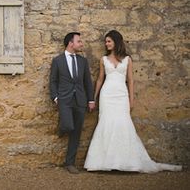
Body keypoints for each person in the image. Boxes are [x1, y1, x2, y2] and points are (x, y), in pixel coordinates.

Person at [84, 30, 182, 173]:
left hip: (121, 95)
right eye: (106, 42)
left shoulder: (127, 59)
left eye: (109, 41)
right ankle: (105, 162)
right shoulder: (103, 60)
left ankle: (125, 161)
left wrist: (131, 100)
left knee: (123, 123)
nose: (106, 44)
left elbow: (130, 81)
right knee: (107, 123)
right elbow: (100, 79)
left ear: (116, 41)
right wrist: (93, 97)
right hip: (107, 95)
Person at [50, 32, 95, 174]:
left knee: (76, 133)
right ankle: (63, 127)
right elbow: (53, 81)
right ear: (71, 43)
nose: (81, 44)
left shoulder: (83, 61)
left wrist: (91, 99)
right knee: (68, 125)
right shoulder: (58, 60)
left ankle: (70, 163)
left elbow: (88, 81)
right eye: (79, 41)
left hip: (80, 100)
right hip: (64, 100)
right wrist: (55, 98)